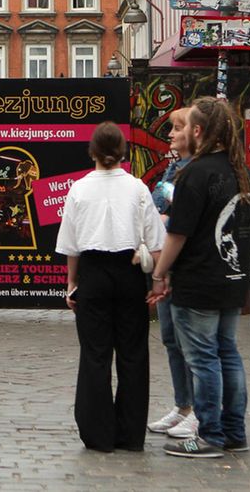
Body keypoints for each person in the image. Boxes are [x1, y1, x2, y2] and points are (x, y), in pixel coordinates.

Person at [148, 97, 250, 459]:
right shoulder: (240, 170)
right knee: (228, 353)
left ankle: (209, 435)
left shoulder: (196, 173)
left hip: (199, 279)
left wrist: (160, 274)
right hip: (233, 275)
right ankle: (233, 431)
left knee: (204, 358)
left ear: (198, 131)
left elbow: (177, 234)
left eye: (187, 125)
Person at [57, 122, 165, 452]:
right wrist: (159, 282)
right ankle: (131, 435)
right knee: (133, 355)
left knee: (95, 355)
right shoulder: (137, 189)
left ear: (92, 151)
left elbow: (71, 245)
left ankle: (97, 433)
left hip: (92, 272)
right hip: (129, 272)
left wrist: (71, 283)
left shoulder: (78, 189)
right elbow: (155, 242)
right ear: (122, 151)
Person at [146, 108, 198, 440]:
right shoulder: (173, 167)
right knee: (170, 337)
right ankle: (182, 405)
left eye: (177, 129)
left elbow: (169, 214)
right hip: (167, 261)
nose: (170, 135)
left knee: (190, 341)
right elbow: (155, 206)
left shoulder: (195, 171)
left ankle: (196, 410)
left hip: (183, 265)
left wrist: (162, 218)